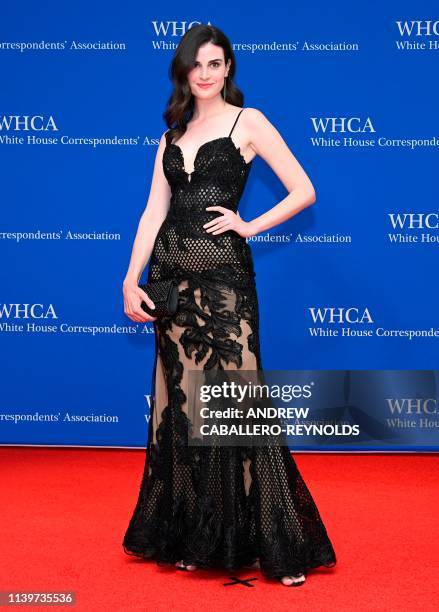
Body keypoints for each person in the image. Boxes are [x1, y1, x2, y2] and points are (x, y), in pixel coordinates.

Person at [122, 23, 336, 587]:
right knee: (184, 412)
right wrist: (129, 279)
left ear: (228, 69)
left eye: (216, 64)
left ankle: (276, 542)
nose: (206, 74)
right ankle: (198, 537)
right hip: (170, 282)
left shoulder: (249, 122)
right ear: (183, 71)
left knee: (237, 404)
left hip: (224, 283)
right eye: (197, 64)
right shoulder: (170, 133)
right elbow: (153, 213)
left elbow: (303, 189)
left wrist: (248, 225)